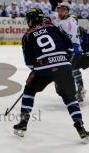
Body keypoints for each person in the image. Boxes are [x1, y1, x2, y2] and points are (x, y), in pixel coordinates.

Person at [13, 8, 89, 142]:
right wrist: (64, 61)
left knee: (29, 91)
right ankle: (80, 127)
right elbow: (70, 46)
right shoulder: (53, 27)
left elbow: (29, 62)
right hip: (64, 66)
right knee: (70, 98)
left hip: (43, 68)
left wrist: (36, 70)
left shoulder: (27, 36)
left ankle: (23, 123)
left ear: (31, 19)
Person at [56, 2, 86, 104]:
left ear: (67, 11)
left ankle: (78, 91)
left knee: (71, 71)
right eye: (58, 10)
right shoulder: (59, 21)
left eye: (62, 10)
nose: (59, 12)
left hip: (75, 50)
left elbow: (70, 38)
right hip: (69, 51)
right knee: (73, 70)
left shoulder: (71, 21)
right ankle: (79, 90)